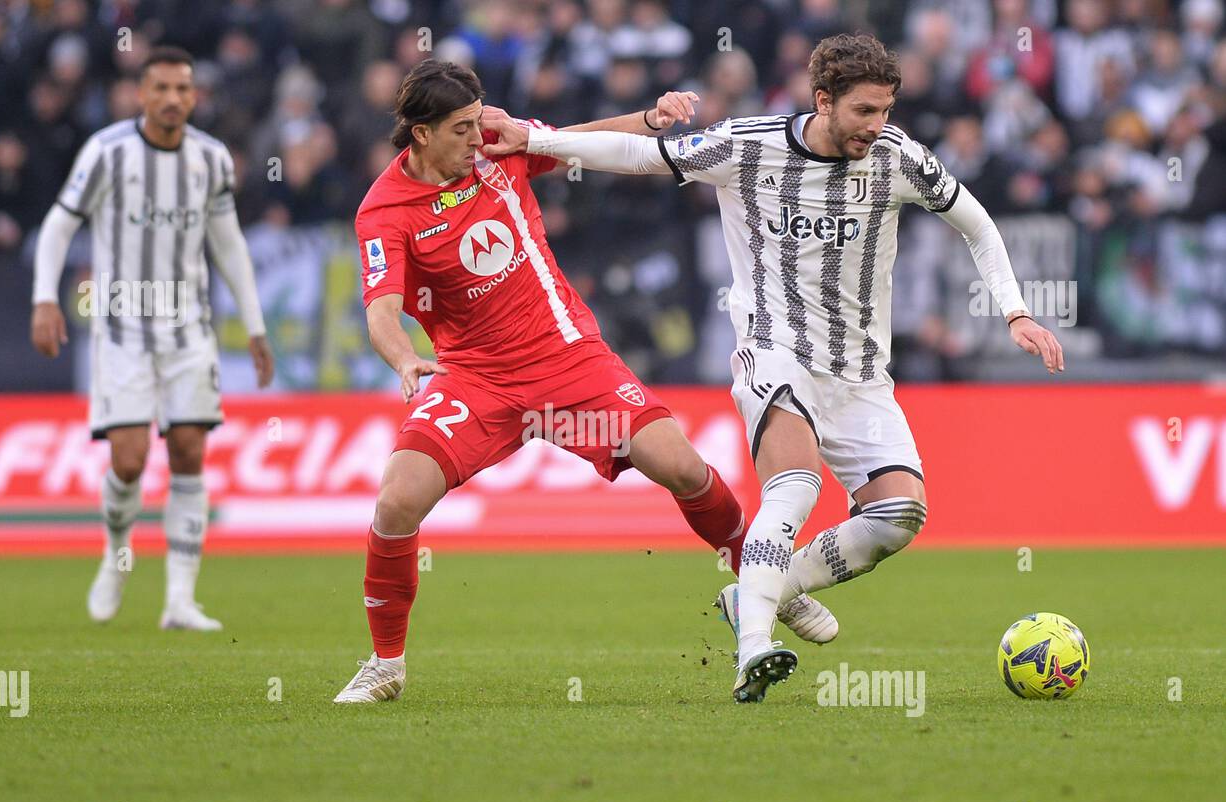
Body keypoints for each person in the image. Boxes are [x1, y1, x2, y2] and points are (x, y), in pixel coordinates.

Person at [484, 33, 1065, 702]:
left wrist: (1016, 311)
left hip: (860, 374)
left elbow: (977, 223)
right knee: (794, 489)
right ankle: (755, 648)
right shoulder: (748, 146)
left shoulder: (899, 157)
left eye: (884, 111)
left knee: (899, 515)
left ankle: (763, 590)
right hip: (774, 352)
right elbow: (643, 153)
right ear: (823, 100)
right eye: (863, 112)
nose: (876, 127)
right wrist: (535, 140)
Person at [334, 59, 791, 704]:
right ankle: (385, 663)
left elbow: (576, 136)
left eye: (479, 121)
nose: (478, 136)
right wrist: (406, 362)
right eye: (462, 128)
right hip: (476, 381)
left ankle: (765, 584)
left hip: (569, 362)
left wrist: (649, 120)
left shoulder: (497, 146)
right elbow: (380, 311)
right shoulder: (384, 211)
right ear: (421, 135)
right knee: (396, 501)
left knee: (683, 468)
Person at [31, 46, 275, 631]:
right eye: (160, 88)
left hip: (189, 328)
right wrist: (44, 298)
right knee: (130, 460)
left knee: (190, 451)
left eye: (182, 89)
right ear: (141, 94)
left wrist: (257, 325)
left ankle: (180, 600)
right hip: (121, 328)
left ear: (195, 96)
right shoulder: (107, 152)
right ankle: (117, 555)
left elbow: (229, 243)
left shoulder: (212, 159)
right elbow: (60, 222)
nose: (172, 99)